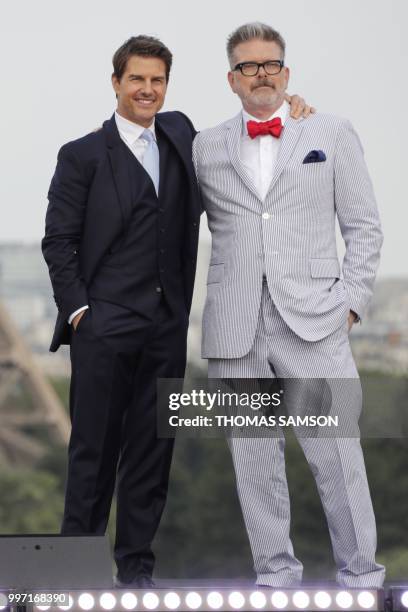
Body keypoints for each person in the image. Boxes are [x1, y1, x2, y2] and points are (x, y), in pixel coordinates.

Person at [42, 34, 311, 586]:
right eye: (136, 79)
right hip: (103, 327)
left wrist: (295, 110)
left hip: (166, 327)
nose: (147, 89)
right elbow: (58, 241)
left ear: (167, 85)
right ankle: (75, 574)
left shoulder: (182, 134)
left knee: (152, 453)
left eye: (157, 80)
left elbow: (242, 133)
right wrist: (78, 313)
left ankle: (136, 570)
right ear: (116, 83)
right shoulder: (82, 155)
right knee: (93, 453)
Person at [193, 22, 385, 587]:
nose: (261, 74)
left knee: (337, 458)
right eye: (248, 66)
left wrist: (350, 305)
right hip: (235, 325)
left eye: (271, 64)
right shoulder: (205, 145)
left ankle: (361, 581)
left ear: (286, 71)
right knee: (254, 463)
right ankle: (276, 581)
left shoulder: (330, 132)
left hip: (316, 322)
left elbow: (365, 227)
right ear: (231, 78)